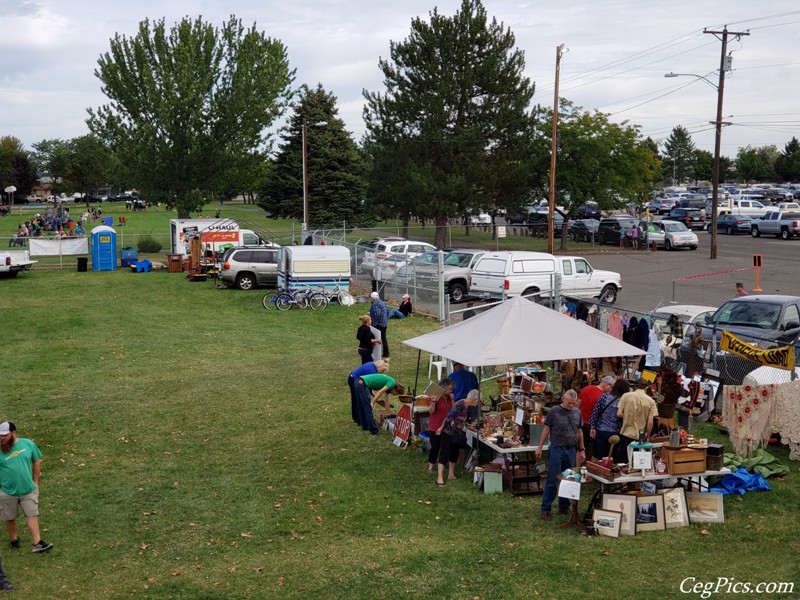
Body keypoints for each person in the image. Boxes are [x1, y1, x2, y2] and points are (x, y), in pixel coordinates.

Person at [0, 422, 53, 553]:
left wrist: (35, 482)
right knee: (9, 517)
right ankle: (14, 540)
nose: (2, 438)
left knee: (32, 514)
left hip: (28, 490)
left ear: (13, 432)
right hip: (7, 492)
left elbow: (36, 460)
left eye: (5, 435)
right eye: (0, 436)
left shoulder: (28, 444)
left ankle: (37, 543)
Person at [535, 390, 585, 519]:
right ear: (563, 399)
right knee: (553, 479)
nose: (571, 406)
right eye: (569, 403)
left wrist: (582, 449)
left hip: (571, 450)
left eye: (574, 403)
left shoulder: (577, 412)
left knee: (569, 479)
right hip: (557, 449)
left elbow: (580, 432)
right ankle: (545, 509)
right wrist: (540, 447)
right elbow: (546, 429)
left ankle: (564, 506)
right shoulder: (554, 411)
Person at [434, 390, 480, 486]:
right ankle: (439, 477)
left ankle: (451, 475)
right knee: (444, 454)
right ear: (474, 400)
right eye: (478, 401)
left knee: (454, 453)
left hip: (456, 433)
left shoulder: (466, 406)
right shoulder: (461, 404)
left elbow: (459, 419)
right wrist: (441, 428)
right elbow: (449, 417)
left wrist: (468, 424)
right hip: (448, 432)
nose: (478, 403)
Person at [616, 378, 658, 464]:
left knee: (623, 461)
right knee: (639, 462)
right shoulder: (651, 401)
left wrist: (628, 416)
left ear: (635, 386)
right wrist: (648, 436)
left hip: (626, 432)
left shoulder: (626, 396)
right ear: (646, 388)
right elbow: (650, 423)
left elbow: (619, 414)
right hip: (641, 435)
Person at [589, 378, 630, 461]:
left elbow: (595, 412)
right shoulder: (624, 400)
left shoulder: (604, 396)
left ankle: (603, 472)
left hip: (601, 431)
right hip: (615, 433)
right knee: (613, 458)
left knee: (602, 458)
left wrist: (592, 427)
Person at [577, 375, 615, 461]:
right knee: (595, 451)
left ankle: (578, 468)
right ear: (607, 384)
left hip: (582, 423)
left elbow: (577, 406)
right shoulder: (604, 396)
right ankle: (592, 469)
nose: (612, 389)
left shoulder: (585, 389)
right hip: (594, 426)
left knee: (581, 448)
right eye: (611, 387)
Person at [348, 360, 388, 427]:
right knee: (357, 399)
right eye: (382, 370)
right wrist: (376, 398)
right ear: (380, 367)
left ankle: (358, 419)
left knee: (358, 399)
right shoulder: (371, 370)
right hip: (353, 379)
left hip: (358, 381)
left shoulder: (373, 366)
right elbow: (369, 386)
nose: (381, 372)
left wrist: (376, 397)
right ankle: (358, 419)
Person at [426, 378, 454, 474]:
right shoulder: (435, 396)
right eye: (450, 388)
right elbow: (431, 411)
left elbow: (453, 410)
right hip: (435, 426)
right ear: (444, 388)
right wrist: (433, 402)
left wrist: (452, 398)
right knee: (435, 446)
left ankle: (442, 463)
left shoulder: (449, 397)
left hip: (446, 426)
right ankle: (431, 465)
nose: (451, 390)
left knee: (445, 447)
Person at [369, 292, 389, 358]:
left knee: (375, 338)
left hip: (379, 324)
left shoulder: (375, 304)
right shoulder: (381, 302)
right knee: (383, 338)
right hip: (384, 323)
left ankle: (374, 352)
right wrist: (385, 319)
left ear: (373, 298)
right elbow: (388, 311)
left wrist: (373, 324)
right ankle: (386, 353)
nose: (370, 299)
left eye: (371, 298)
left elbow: (377, 314)